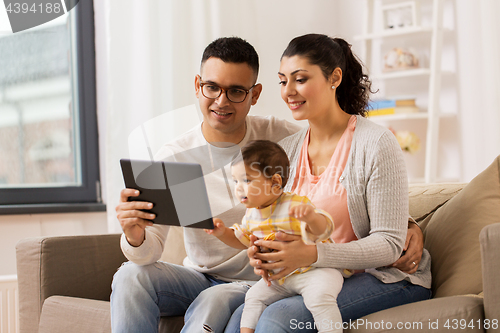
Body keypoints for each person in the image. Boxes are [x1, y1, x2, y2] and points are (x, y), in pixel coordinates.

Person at [113, 36, 426, 333]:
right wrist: (134, 235)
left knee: (228, 304)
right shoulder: (175, 156)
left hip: (271, 277)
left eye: (236, 91)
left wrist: (408, 225)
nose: (221, 101)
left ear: (255, 94)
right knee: (131, 275)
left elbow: (360, 197)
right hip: (213, 275)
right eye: (211, 87)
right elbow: (148, 249)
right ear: (198, 86)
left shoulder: (277, 141)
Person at [225, 34, 432, 333]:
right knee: (238, 319)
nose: (288, 91)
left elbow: (389, 243)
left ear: (335, 77)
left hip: (386, 276)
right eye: (283, 81)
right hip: (312, 273)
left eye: (300, 79)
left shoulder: (376, 142)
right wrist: (266, 254)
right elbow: (274, 217)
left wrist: (313, 254)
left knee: (277, 318)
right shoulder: (287, 150)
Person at [206, 140, 348, 333]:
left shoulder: (294, 205)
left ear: (275, 182)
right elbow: (241, 240)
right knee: (254, 297)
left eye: (247, 181)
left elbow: (323, 230)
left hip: (316, 272)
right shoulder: (251, 214)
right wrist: (221, 232)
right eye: (235, 181)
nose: (239, 188)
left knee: (320, 298)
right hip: (281, 279)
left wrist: (311, 217)